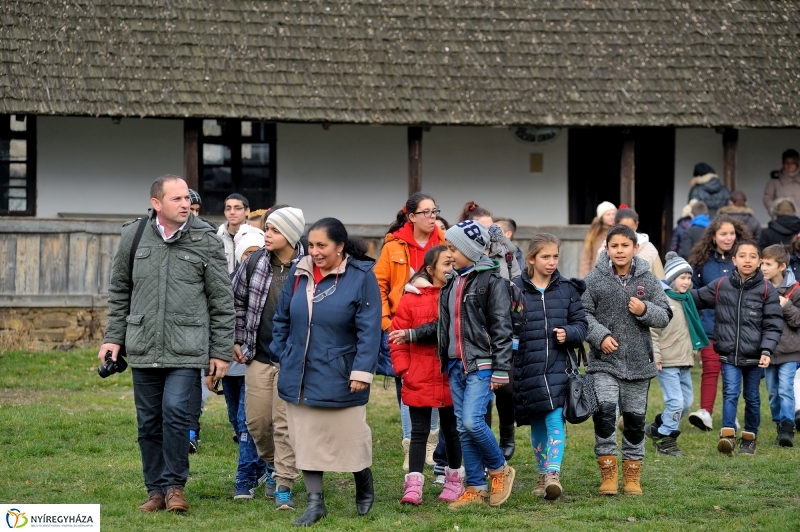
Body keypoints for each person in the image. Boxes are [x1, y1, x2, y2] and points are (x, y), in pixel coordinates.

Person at [99, 175, 234, 513]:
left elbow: (221, 298)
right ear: (157, 203)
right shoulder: (133, 236)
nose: (185, 203)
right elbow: (120, 293)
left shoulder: (205, 237)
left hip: (187, 346)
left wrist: (219, 350)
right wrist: (113, 337)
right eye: (176, 199)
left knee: (175, 413)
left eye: (187, 197)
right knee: (148, 422)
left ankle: (175, 486)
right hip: (143, 343)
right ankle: (155, 491)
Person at [270, 218, 381, 527]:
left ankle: (363, 479)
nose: (314, 252)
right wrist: (282, 352)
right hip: (300, 370)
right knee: (306, 438)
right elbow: (282, 317)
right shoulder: (299, 270)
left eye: (322, 246)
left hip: (341, 371)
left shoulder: (361, 276)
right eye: (311, 245)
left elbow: (370, 330)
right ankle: (315, 502)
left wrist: (361, 370)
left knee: (351, 437)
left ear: (340, 247)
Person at [582, 225, 671, 496]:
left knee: (634, 421)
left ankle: (632, 475)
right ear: (606, 249)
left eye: (625, 245)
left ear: (635, 248)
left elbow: (665, 315)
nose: (620, 250)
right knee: (606, 416)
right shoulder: (594, 278)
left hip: (637, 363)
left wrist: (644, 310)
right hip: (603, 362)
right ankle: (608, 473)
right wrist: (599, 336)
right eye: (614, 246)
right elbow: (582, 313)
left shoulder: (648, 279)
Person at [436, 220, 515, 509]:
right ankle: (476, 487)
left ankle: (499, 468)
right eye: (447, 247)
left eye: (453, 248)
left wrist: (501, 369)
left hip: (481, 364)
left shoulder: (491, 281)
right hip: (455, 365)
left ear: (470, 249)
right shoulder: (451, 282)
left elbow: (502, 328)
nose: (449, 253)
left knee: (472, 421)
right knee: (462, 427)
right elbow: (445, 325)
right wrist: (410, 334)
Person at [232, 206, 306, 509]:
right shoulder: (254, 263)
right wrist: (236, 338)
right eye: (266, 229)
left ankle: (284, 482)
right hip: (258, 356)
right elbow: (236, 299)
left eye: (273, 230)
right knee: (257, 423)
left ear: (289, 234)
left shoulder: (309, 266)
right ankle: (275, 465)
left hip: (293, 360)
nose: (267, 235)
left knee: (283, 423)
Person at [513, 233, 588, 500]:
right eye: (545, 256)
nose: (551, 261)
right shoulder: (514, 288)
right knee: (537, 422)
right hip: (527, 367)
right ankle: (542, 473)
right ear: (531, 258)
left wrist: (569, 333)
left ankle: (553, 474)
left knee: (555, 418)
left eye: (555, 256)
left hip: (559, 367)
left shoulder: (567, 289)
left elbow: (582, 326)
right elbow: (504, 326)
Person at [691, 240, 782, 456]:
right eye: (742, 256)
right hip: (729, 353)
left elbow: (773, 324)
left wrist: (767, 351)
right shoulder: (721, 285)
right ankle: (727, 436)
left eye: (752, 256)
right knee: (730, 393)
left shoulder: (767, 289)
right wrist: (675, 292)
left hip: (755, 356)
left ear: (760, 261)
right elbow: (696, 298)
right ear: (734, 260)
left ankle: (749, 438)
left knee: (752, 397)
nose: (747, 260)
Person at [374, 192, 444, 472]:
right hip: (401, 326)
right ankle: (410, 443)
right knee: (408, 385)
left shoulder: (445, 242)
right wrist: (386, 321)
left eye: (434, 211)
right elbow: (378, 284)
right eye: (426, 212)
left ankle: (432, 445)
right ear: (412, 216)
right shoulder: (393, 247)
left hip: (438, 327)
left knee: (438, 383)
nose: (432, 216)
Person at [390, 245, 465, 506]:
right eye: (446, 264)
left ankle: (454, 480)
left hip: (450, 374)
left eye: (453, 263)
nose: (451, 268)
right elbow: (397, 337)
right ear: (431, 270)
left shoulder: (458, 294)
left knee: (451, 430)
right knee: (419, 432)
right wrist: (403, 369)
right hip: (419, 374)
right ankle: (413, 484)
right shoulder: (411, 298)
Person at [458, 201, 519, 460]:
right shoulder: (461, 254)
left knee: (505, 385)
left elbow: (517, 278)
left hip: (502, 323)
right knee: (481, 391)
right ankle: (487, 441)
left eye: (491, 226)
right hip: (474, 329)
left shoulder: (504, 250)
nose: (488, 231)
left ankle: (507, 434)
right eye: (482, 228)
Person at [686, 216, 751, 431]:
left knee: (731, 372)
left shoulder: (744, 258)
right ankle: (705, 412)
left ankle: (730, 416)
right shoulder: (702, 262)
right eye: (723, 233)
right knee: (711, 369)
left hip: (737, 327)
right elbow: (692, 294)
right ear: (713, 236)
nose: (728, 238)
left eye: (732, 233)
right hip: (710, 325)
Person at [644, 252, 709, 457]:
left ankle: (656, 426)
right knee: (675, 402)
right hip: (667, 360)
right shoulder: (662, 300)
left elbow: (689, 328)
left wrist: (694, 349)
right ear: (671, 279)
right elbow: (652, 331)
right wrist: (656, 357)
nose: (687, 282)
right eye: (682, 277)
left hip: (683, 360)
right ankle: (665, 439)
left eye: (689, 278)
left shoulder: (686, 300)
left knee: (687, 402)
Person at [221, 231, 269, 500]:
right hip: (230, 366)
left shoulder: (269, 283)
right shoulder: (229, 284)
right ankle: (260, 465)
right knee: (234, 419)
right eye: (246, 254)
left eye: (256, 252)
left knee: (246, 421)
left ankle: (244, 479)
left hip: (256, 364)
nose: (251, 258)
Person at [759, 245, 800, 447]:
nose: (763, 267)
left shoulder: (796, 290)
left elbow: (799, 320)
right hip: (768, 351)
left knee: (785, 389)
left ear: (782, 266)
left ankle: (787, 427)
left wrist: (787, 306)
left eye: (768, 264)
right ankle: (778, 423)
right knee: (773, 392)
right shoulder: (759, 288)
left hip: (790, 351)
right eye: (762, 263)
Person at [614, 208, 665, 279]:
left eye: (631, 229)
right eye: (623, 229)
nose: (627, 234)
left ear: (636, 225)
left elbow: (660, 279)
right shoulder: (606, 248)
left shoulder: (649, 249)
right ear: (615, 225)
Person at [580, 201, 617, 278]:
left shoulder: (620, 232)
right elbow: (586, 259)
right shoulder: (594, 234)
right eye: (608, 214)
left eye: (613, 214)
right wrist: (584, 279)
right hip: (597, 276)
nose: (612, 217)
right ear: (601, 217)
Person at [218, 193, 251, 273]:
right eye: (228, 209)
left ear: (247, 211)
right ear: (224, 212)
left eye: (238, 208)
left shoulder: (255, 237)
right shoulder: (216, 235)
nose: (232, 212)